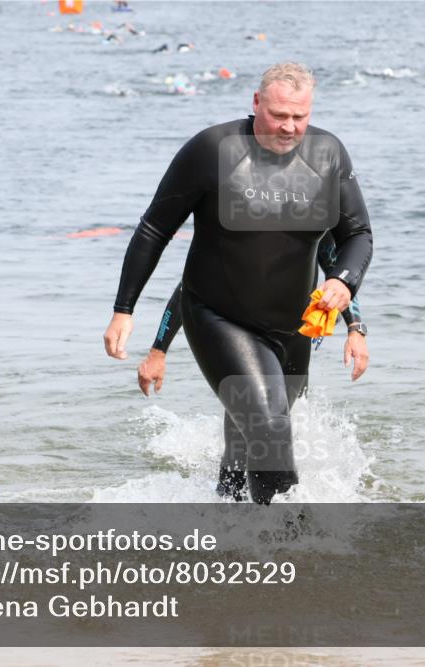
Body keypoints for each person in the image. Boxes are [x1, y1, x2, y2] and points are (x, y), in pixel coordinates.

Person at [103, 62, 373, 504]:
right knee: (268, 424)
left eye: (299, 118)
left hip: (294, 328)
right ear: (255, 103)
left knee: (258, 426)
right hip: (218, 315)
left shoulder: (328, 154)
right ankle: (288, 541)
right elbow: (154, 228)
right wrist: (124, 309)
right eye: (279, 115)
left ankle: (226, 509)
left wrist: (344, 285)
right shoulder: (212, 150)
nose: (289, 127)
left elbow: (356, 236)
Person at [136, 233, 370, 499]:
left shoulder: (311, 220)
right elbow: (187, 289)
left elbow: (338, 274)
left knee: (278, 423)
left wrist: (355, 328)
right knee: (246, 426)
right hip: (242, 339)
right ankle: (230, 502)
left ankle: (281, 515)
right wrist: (158, 351)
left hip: (294, 339)